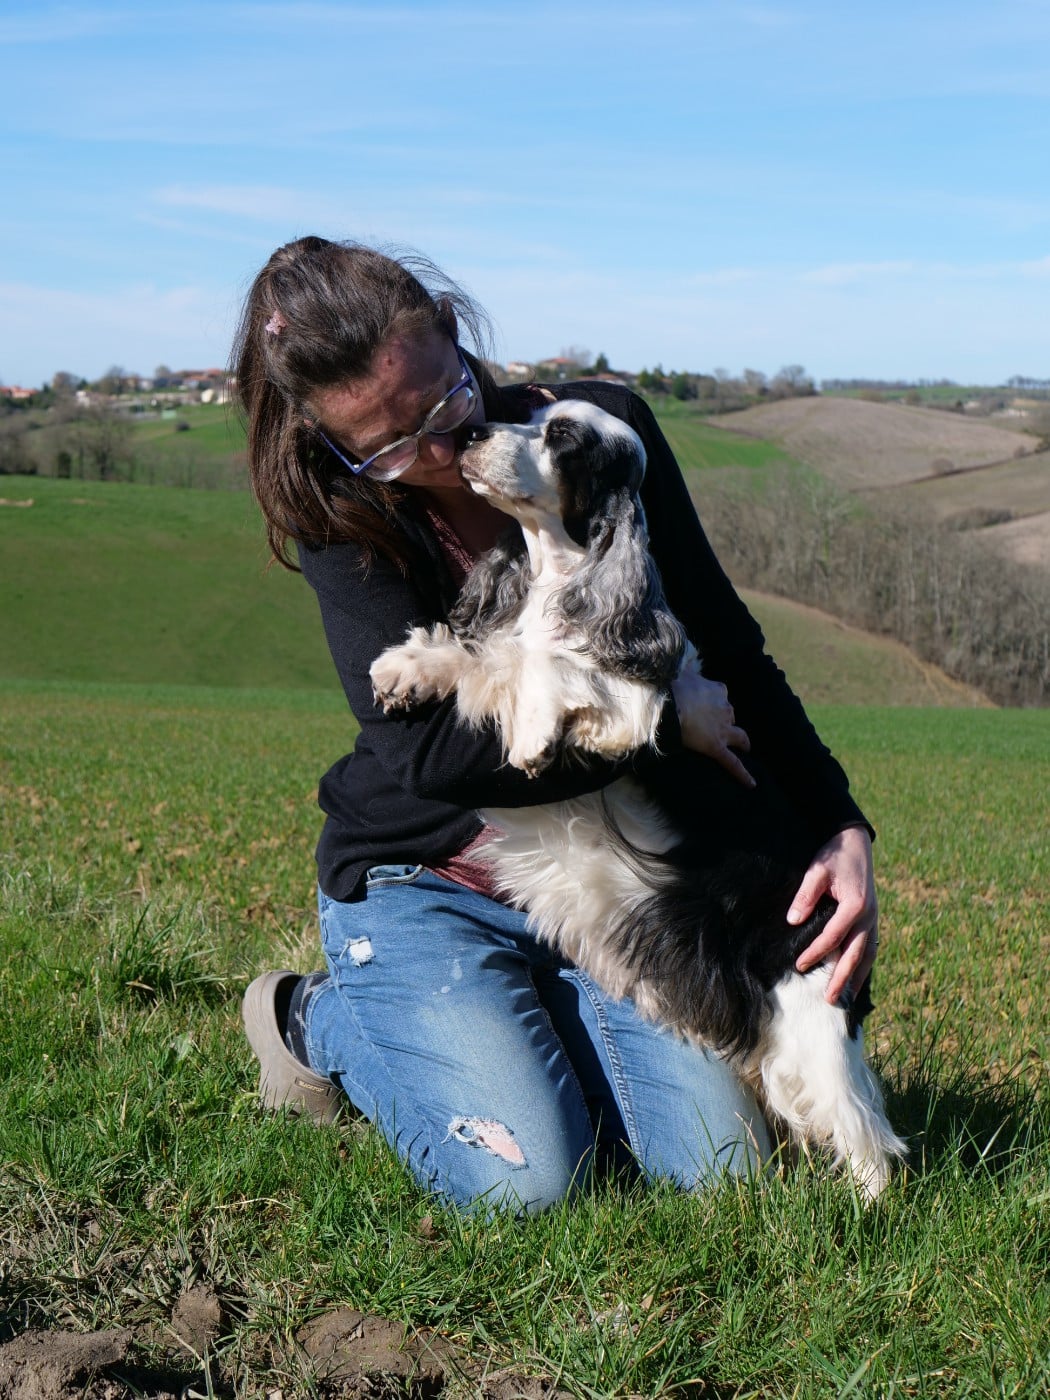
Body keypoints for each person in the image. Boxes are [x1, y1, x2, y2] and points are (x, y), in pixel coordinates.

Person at [234, 236, 879, 1215]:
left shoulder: (605, 434)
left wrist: (840, 823)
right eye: (387, 444)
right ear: (333, 442)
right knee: (527, 1183)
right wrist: (656, 722)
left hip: (602, 893)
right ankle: (315, 1018)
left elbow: (726, 645)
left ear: (452, 336)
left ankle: (539, 1030)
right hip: (433, 870)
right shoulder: (341, 508)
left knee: (718, 1176)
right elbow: (433, 754)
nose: (436, 452)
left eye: (442, 405)